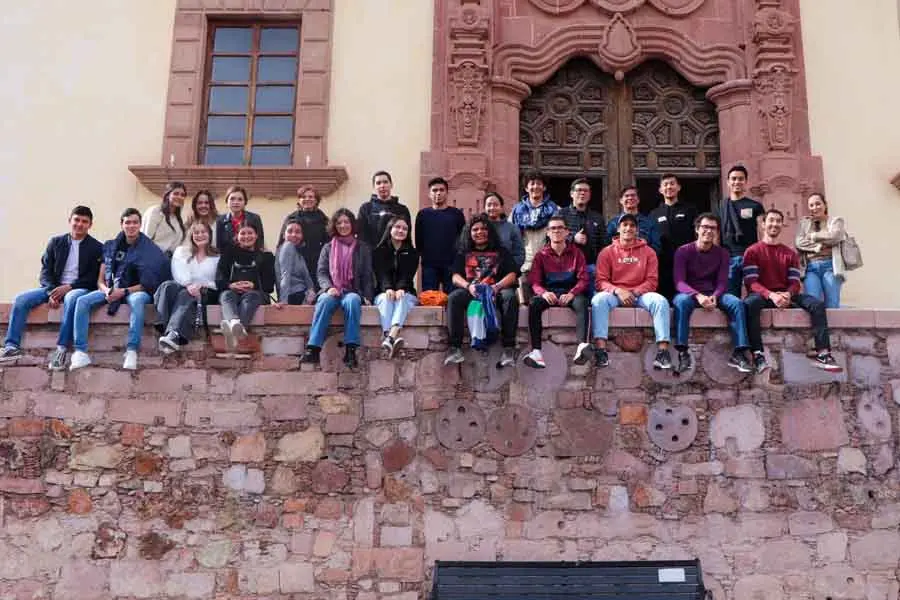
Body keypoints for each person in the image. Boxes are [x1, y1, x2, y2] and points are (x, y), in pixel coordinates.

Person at [0, 206, 103, 368]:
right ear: (70, 221)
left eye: (84, 221)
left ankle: (61, 350)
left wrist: (69, 287)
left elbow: (92, 279)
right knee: (21, 299)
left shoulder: (96, 247)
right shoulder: (56, 242)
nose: (80, 224)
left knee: (71, 298)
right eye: (77, 220)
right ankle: (12, 346)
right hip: (53, 287)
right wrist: (51, 292)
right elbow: (45, 272)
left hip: (78, 288)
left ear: (90, 225)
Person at [743, 208, 842, 373]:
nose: (774, 224)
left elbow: (795, 282)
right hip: (763, 295)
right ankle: (758, 355)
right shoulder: (752, 251)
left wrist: (788, 294)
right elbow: (751, 282)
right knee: (749, 303)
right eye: (771, 220)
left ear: (782, 225)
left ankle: (823, 353)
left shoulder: (789, 253)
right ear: (763, 224)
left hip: (787, 294)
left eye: (778, 221)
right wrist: (771, 295)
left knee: (817, 305)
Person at [70, 208, 170, 371]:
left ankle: (131, 350)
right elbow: (100, 279)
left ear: (140, 225)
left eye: (135, 223)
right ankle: (80, 352)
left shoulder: (150, 250)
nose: (131, 226)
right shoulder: (110, 246)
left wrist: (123, 292)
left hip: (136, 291)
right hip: (111, 289)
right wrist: (106, 290)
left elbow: (150, 283)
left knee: (137, 302)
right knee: (82, 301)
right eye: (127, 222)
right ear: (122, 224)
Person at [672, 213, 751, 374]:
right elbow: (679, 282)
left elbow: (722, 281)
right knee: (680, 302)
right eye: (705, 227)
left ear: (717, 232)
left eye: (713, 228)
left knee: (737, 303)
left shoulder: (722, 253)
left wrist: (715, 295)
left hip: (715, 293)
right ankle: (683, 352)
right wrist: (698, 296)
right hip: (690, 294)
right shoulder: (683, 251)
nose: (708, 231)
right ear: (697, 229)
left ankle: (739, 352)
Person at [591, 214, 672, 369]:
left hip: (640, 295)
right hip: (615, 294)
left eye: (632, 225)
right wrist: (618, 291)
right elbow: (601, 281)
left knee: (660, 301)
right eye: (624, 225)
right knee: (598, 300)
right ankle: (601, 350)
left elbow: (652, 281)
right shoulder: (607, 252)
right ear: (618, 229)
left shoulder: (649, 252)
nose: (628, 228)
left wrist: (634, 292)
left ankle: (663, 353)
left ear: (637, 230)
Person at [300, 209, 374, 369]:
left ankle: (350, 350)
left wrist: (368, 296)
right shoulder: (328, 247)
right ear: (334, 225)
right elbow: (321, 272)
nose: (343, 225)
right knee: (325, 301)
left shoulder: (362, 248)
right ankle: (313, 348)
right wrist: (328, 287)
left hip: (352, 291)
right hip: (332, 290)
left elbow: (368, 275)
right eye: (339, 222)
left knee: (353, 301)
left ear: (352, 224)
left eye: (346, 222)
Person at [443, 214, 520, 367]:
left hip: (495, 290)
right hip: (472, 290)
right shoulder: (463, 252)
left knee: (510, 297)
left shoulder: (501, 251)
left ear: (490, 231)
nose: (480, 232)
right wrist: (468, 286)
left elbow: (512, 274)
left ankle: (509, 349)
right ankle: (455, 348)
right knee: (453, 298)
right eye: (475, 229)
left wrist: (496, 287)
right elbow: (455, 276)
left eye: (484, 229)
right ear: (469, 233)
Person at [523, 215, 591, 369]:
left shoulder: (577, 253)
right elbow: (534, 281)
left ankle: (582, 346)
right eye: (553, 228)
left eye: (560, 228)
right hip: (550, 293)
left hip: (570, 292)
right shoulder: (541, 255)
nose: (557, 231)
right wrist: (543, 293)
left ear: (567, 232)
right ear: (547, 232)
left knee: (582, 302)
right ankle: (536, 352)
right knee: (534, 304)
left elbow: (583, 279)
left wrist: (572, 293)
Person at [154, 221, 220, 354]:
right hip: (185, 286)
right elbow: (178, 272)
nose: (200, 235)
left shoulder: (217, 256)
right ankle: (165, 329)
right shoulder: (182, 251)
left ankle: (173, 334)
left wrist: (201, 285)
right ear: (191, 235)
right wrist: (189, 285)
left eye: (203, 232)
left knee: (186, 294)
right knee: (167, 286)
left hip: (207, 292)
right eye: (196, 232)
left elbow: (219, 281)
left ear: (210, 235)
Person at [215, 221, 275, 352]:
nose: (246, 236)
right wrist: (231, 285)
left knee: (251, 296)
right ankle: (235, 323)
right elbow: (219, 278)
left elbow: (269, 285)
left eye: (250, 233)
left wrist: (253, 285)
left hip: (256, 294)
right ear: (237, 235)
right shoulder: (229, 254)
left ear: (257, 235)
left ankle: (234, 329)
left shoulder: (266, 256)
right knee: (226, 295)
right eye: (243, 233)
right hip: (232, 292)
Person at [510, 170, 559, 300]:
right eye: (532, 184)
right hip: (525, 263)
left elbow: (560, 233)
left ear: (544, 187)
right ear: (526, 188)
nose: (535, 187)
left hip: (548, 262)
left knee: (547, 300)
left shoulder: (554, 209)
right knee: (525, 300)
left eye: (539, 183)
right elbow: (512, 237)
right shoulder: (517, 210)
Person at [374, 217, 420, 357]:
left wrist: (401, 288)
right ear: (390, 229)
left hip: (406, 292)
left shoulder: (412, 253)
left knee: (403, 298)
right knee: (386, 299)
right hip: (383, 291)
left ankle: (389, 336)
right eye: (398, 227)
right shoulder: (378, 251)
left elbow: (407, 274)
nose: (401, 230)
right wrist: (388, 287)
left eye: (405, 228)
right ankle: (391, 338)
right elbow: (381, 273)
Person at [719, 165, 764, 297]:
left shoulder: (755, 206)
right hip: (729, 258)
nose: (737, 182)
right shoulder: (721, 206)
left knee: (755, 295)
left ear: (746, 181)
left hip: (751, 256)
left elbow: (762, 231)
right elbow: (716, 232)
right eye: (733, 179)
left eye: (740, 179)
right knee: (731, 297)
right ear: (728, 182)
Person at [651, 173, 697, 301]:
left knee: (685, 299)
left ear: (679, 187)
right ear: (660, 190)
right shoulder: (654, 213)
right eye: (665, 185)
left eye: (672, 184)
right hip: (662, 265)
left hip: (686, 263)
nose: (669, 187)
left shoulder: (690, 210)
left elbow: (696, 236)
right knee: (664, 299)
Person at [795, 192, 846, 309]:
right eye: (811, 205)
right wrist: (818, 247)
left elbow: (835, 237)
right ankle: (818, 328)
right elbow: (799, 243)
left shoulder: (836, 221)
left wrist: (813, 237)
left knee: (832, 304)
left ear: (825, 205)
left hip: (830, 267)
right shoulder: (804, 223)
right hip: (811, 268)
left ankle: (833, 328)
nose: (815, 208)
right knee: (813, 303)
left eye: (818, 204)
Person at [415, 177, 465, 292]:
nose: (438, 193)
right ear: (429, 194)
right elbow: (419, 240)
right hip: (429, 265)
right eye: (434, 190)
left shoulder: (456, 214)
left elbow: (463, 239)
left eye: (442, 190)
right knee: (429, 300)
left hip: (452, 265)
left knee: (453, 299)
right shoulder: (423, 215)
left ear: (447, 193)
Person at [276, 185, 330, 288]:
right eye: (303, 197)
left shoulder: (324, 220)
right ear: (299, 200)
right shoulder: (291, 218)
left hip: (316, 263)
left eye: (311, 197)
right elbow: (281, 243)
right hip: (295, 263)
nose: (307, 199)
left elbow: (328, 245)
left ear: (316, 200)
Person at [558, 178, 605, 294]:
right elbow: (550, 238)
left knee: (594, 302)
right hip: (566, 268)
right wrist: (573, 238)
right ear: (571, 194)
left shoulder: (597, 217)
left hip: (590, 268)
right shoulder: (561, 214)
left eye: (586, 191)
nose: (582, 193)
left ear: (589, 195)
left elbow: (603, 244)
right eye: (579, 190)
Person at [357, 170, 411, 248]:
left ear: (391, 185)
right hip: (372, 256)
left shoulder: (402, 210)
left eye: (385, 182)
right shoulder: (366, 208)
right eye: (378, 183)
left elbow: (407, 236)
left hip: (395, 256)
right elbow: (362, 236)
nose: (382, 185)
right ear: (374, 187)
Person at [605, 185, 661, 253]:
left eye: (633, 195)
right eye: (626, 196)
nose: (630, 198)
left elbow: (656, 246)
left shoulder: (649, 222)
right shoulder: (613, 223)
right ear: (621, 201)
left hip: (643, 261)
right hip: (619, 262)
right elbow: (606, 245)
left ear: (638, 200)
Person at [275, 219, 316, 305]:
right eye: (290, 231)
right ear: (283, 234)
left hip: (303, 295)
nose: (294, 235)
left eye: (298, 232)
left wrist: (311, 291)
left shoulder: (298, 252)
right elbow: (285, 275)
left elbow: (307, 278)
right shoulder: (288, 247)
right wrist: (283, 301)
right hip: (294, 295)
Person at [142, 181, 187, 255]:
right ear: (167, 195)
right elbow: (145, 239)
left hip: (170, 261)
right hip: (152, 258)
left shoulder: (177, 220)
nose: (179, 197)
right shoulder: (155, 211)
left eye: (182, 195)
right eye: (176, 193)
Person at [215, 185, 265, 252]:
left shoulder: (254, 218)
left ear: (245, 202)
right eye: (232, 199)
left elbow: (260, 242)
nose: (236, 202)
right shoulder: (220, 220)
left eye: (240, 199)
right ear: (227, 201)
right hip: (228, 259)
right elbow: (219, 245)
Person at [484, 192, 525, 270]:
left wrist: (508, 268)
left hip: (506, 274)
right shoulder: (479, 228)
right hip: (481, 273)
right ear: (484, 208)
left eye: (495, 205)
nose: (492, 208)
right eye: (489, 205)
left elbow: (519, 255)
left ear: (501, 207)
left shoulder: (512, 228)